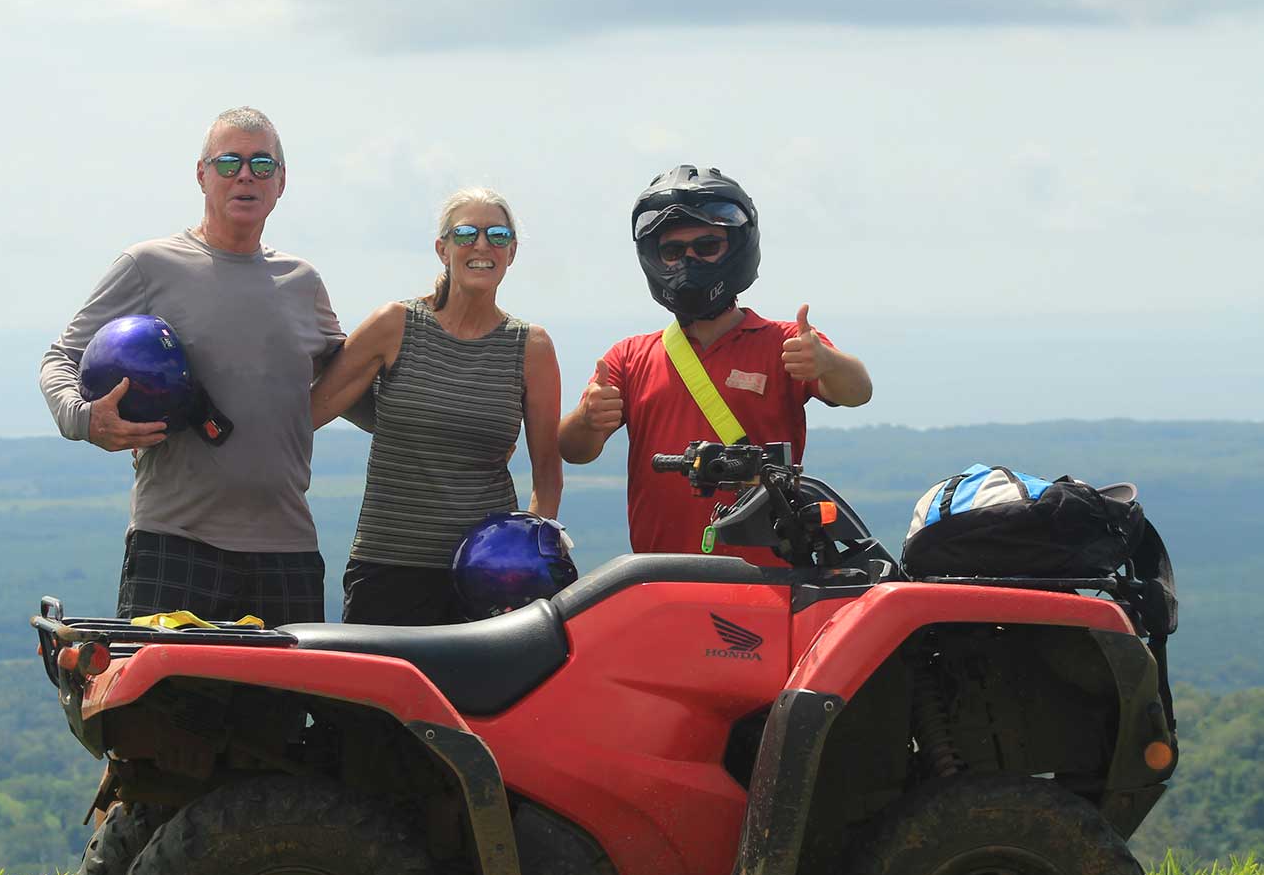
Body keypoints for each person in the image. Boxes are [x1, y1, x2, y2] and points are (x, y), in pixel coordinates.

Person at [38, 106, 346, 623]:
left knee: (275, 708)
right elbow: (62, 357)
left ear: (281, 182)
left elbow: (351, 385)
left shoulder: (303, 283)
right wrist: (84, 418)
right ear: (201, 175)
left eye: (261, 164)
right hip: (174, 542)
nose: (245, 175)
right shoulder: (149, 265)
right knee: (166, 706)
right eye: (228, 162)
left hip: (287, 547)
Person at [558, 165, 873, 565]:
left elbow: (857, 391)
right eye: (673, 251)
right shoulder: (630, 357)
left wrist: (826, 360)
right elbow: (574, 450)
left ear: (737, 247)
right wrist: (587, 418)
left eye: (707, 246)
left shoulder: (784, 341)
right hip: (663, 578)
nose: (689, 260)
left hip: (770, 581)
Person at [310, 188, 564, 625]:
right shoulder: (395, 325)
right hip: (387, 567)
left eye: (497, 235)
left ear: (512, 252)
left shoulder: (532, 348)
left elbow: (548, 477)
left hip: (487, 575)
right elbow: (308, 412)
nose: (482, 245)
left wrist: (529, 560)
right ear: (441, 249)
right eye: (466, 233)